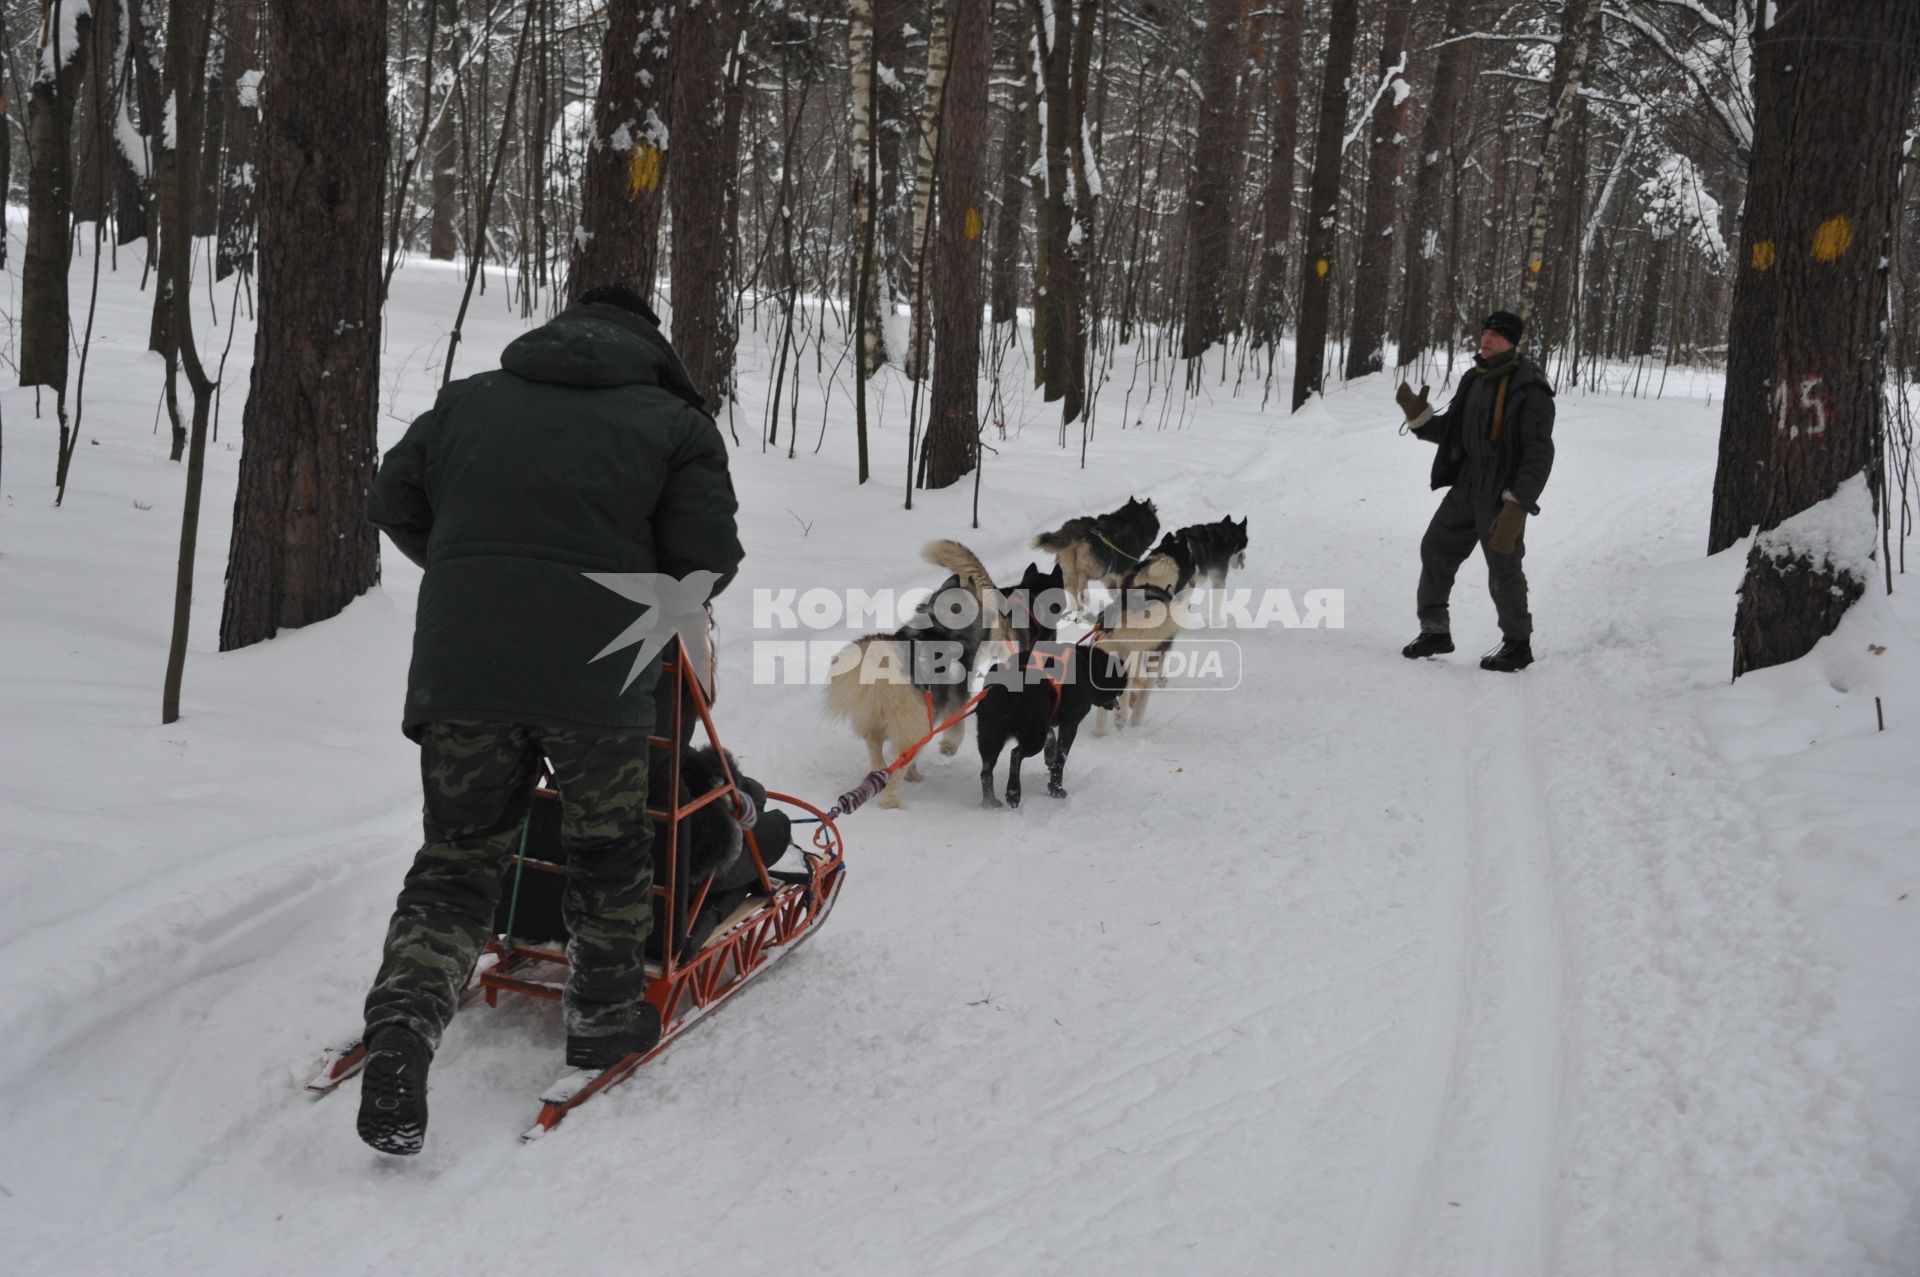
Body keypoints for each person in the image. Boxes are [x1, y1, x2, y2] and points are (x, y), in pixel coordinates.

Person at [354, 283, 744, 1155]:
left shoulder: (469, 401)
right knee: (609, 849)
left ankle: (403, 1033)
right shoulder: (673, 425)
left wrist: (469, 568)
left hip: (463, 672)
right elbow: (706, 561)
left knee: (456, 860)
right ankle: (603, 1022)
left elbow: (394, 500)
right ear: (650, 345)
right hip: (597, 679)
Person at [1394, 309, 1555, 672]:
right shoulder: (1475, 378)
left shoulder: (1530, 387)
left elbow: (1540, 452)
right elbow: (1456, 433)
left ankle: (1517, 644)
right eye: (1485, 331)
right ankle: (1434, 630)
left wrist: (1518, 503)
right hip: (1467, 484)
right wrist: (1419, 418)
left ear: (1513, 341)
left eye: (1497, 333)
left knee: (1503, 564)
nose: (1487, 337)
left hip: (1502, 492)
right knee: (1436, 547)